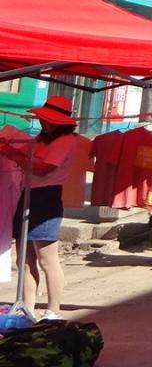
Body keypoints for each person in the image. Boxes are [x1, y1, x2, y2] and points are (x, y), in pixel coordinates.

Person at [0, 96, 82, 320]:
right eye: (43, 119)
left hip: (46, 198)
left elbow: (43, 168)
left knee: (47, 259)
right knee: (24, 261)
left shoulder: (65, 141)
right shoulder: (40, 140)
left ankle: (53, 310)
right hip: (27, 195)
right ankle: (27, 308)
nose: (43, 123)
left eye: (48, 120)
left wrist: (12, 153)